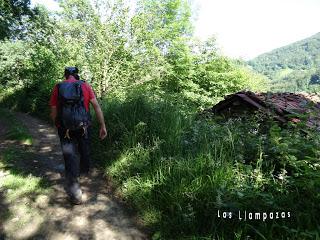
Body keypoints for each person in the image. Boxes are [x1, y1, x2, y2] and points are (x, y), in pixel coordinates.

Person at [49, 67, 107, 204]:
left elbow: (53, 110)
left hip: (65, 129)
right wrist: (102, 125)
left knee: (70, 158)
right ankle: (84, 172)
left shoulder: (58, 87)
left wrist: (56, 125)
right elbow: (96, 107)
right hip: (84, 128)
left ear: (65, 76)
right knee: (84, 152)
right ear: (77, 75)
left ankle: (75, 194)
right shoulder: (85, 86)